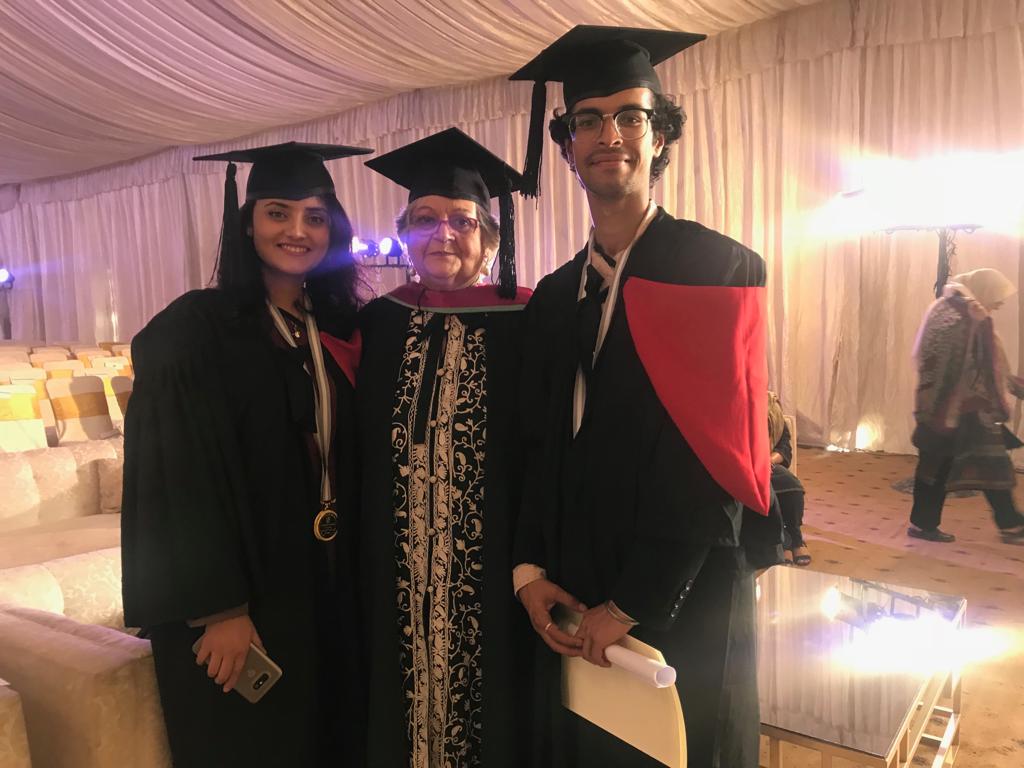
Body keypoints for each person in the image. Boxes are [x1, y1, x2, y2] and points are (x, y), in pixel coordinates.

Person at [509, 26, 771, 768]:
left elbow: (716, 458)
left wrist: (632, 603)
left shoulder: (715, 268)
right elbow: (538, 443)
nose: (609, 135)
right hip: (574, 588)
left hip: (681, 589)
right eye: (587, 119)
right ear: (565, 147)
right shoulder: (556, 297)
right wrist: (529, 573)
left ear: (661, 138)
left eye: (631, 116)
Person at [120, 141, 368, 766]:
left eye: (315, 217)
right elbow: (175, 475)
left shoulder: (338, 324)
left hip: (323, 579)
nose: (297, 231)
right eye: (278, 213)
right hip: (241, 596)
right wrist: (217, 608)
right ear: (247, 221)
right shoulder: (197, 329)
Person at [357, 128, 535, 767]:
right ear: (404, 234)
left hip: (497, 566)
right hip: (394, 566)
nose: (443, 235)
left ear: (489, 239)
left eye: (462, 221)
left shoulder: (529, 323)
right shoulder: (379, 324)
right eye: (425, 220)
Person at [909, 267, 1024, 544]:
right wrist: (1002, 396)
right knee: (989, 465)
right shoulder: (972, 316)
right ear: (985, 291)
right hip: (967, 409)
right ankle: (1011, 525)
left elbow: (930, 359)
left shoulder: (944, 307)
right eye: (998, 296)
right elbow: (985, 365)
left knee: (938, 466)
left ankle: (923, 524)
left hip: (936, 405)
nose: (1001, 303)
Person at [769, 391, 810, 565]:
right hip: (742, 464)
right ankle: (782, 542)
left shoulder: (770, 406)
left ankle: (795, 538)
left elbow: (784, 447)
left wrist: (768, 461)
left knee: (791, 486)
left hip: (767, 463)